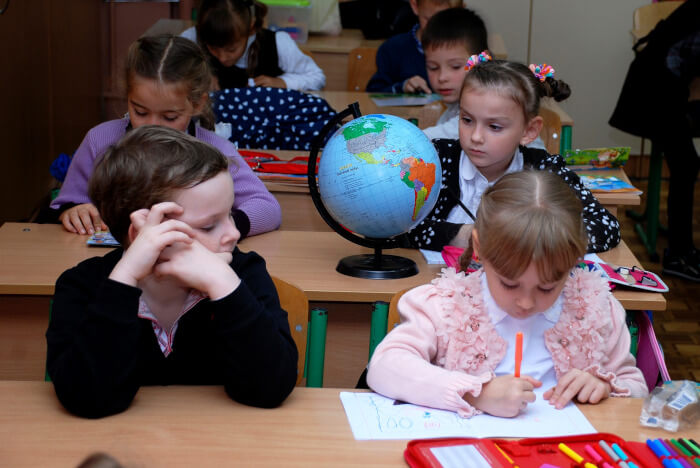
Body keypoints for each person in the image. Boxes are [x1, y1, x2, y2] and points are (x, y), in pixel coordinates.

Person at [46, 126, 298, 419]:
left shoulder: (242, 273)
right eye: (208, 225)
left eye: (230, 213)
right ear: (142, 232)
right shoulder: (81, 286)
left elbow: (270, 389)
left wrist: (223, 284)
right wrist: (126, 277)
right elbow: (88, 399)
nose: (233, 233)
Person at [368, 171, 648, 418]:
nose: (526, 302)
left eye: (547, 287)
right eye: (509, 284)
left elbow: (636, 387)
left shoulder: (597, 309)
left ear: (576, 259)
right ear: (479, 248)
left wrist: (604, 387)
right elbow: (384, 367)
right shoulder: (446, 306)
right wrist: (475, 393)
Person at [50, 34, 281, 239]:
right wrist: (74, 210)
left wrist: (217, 228)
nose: (152, 126)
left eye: (169, 116)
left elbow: (267, 208)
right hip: (112, 269)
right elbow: (67, 201)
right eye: (140, 112)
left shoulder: (215, 151)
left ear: (197, 104)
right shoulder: (99, 140)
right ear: (127, 97)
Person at [402, 59, 620, 253]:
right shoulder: (435, 160)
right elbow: (397, 227)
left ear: (529, 131)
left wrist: (529, 237)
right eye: (467, 120)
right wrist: (471, 236)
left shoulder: (545, 169)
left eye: (494, 126)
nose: (476, 137)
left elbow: (605, 226)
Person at [609, 0, 700, 282]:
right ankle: (678, 255)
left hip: (669, 87)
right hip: (654, 93)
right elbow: (677, 67)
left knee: (686, 163)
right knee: (686, 164)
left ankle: (681, 248)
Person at [181, 0, 325, 91]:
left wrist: (283, 82)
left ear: (250, 29)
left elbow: (317, 77)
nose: (222, 58)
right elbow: (166, 75)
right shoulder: (192, 38)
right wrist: (196, 79)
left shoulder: (278, 43)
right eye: (213, 48)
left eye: (231, 49)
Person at [365, 0, 462, 94]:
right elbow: (373, 93)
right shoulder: (392, 49)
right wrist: (402, 87)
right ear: (415, 6)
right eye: (429, 20)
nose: (437, 28)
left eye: (445, 21)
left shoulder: (468, 49)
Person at [420, 7, 488, 140]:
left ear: (482, 59)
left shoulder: (491, 102)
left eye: (455, 66)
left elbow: (450, 132)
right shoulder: (453, 108)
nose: (442, 77)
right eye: (433, 67)